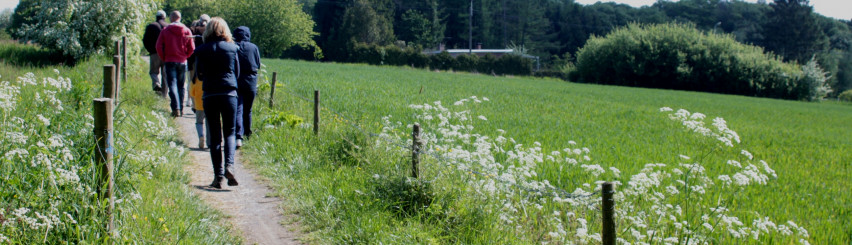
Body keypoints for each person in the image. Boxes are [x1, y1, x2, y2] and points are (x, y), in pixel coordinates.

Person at [195, 17, 240, 189]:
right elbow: (237, 73)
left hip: (210, 94)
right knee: (230, 132)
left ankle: (218, 177)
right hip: (229, 93)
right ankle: (230, 166)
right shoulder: (233, 48)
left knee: (214, 136)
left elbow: (199, 75)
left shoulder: (201, 50)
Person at [156, 11, 195, 117]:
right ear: (180, 18)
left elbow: (158, 46)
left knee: (172, 84)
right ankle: (181, 109)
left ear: (171, 18)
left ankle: (175, 107)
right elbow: (192, 47)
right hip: (182, 61)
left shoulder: (165, 30)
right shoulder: (187, 30)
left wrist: (164, 57)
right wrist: (186, 56)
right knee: (181, 86)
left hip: (169, 60)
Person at [233, 26, 261, 148]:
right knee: (248, 110)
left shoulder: (233, 46)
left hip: (237, 80)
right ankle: (247, 134)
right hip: (251, 82)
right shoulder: (254, 47)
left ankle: (238, 136)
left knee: (238, 108)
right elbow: (258, 64)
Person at [187, 14, 210, 113]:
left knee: (193, 81)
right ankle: (195, 103)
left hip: (195, 59)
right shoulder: (210, 31)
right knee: (195, 81)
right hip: (198, 60)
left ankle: (193, 102)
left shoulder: (193, 30)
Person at [142, 10, 168, 93]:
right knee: (165, 75)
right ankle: (164, 95)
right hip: (166, 54)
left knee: (153, 72)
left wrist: (150, 50)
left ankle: (156, 83)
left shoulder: (151, 26)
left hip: (154, 53)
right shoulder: (168, 26)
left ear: (156, 17)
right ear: (164, 17)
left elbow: (145, 40)